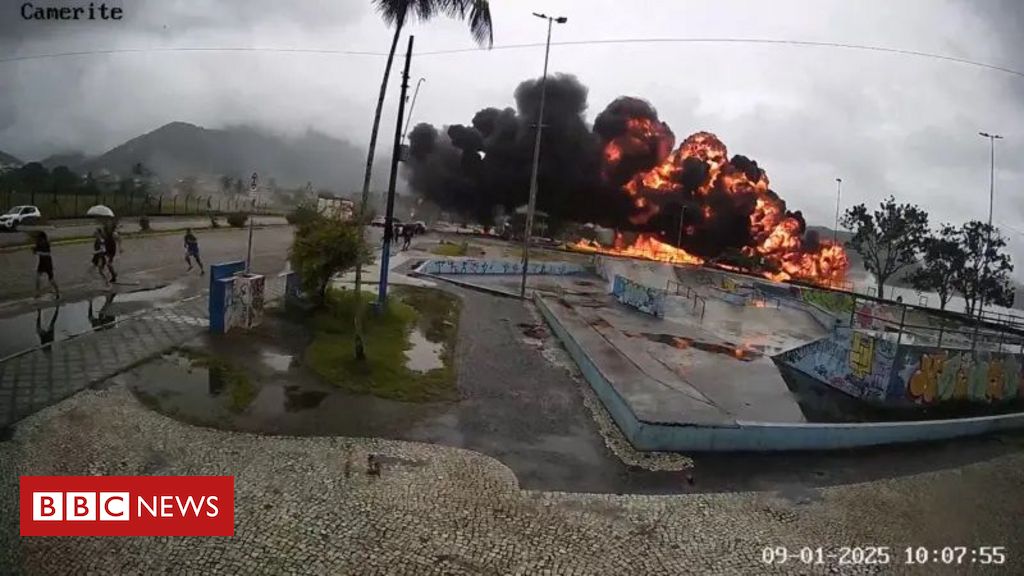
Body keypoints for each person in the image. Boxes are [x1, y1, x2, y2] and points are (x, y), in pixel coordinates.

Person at [33, 231, 60, 299]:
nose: (37, 239)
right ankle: (37, 293)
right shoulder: (38, 243)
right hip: (42, 262)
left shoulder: (46, 244)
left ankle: (57, 292)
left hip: (47, 263)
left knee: (51, 279)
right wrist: (35, 251)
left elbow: (47, 254)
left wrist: (38, 252)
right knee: (38, 277)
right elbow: (36, 251)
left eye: (39, 238)